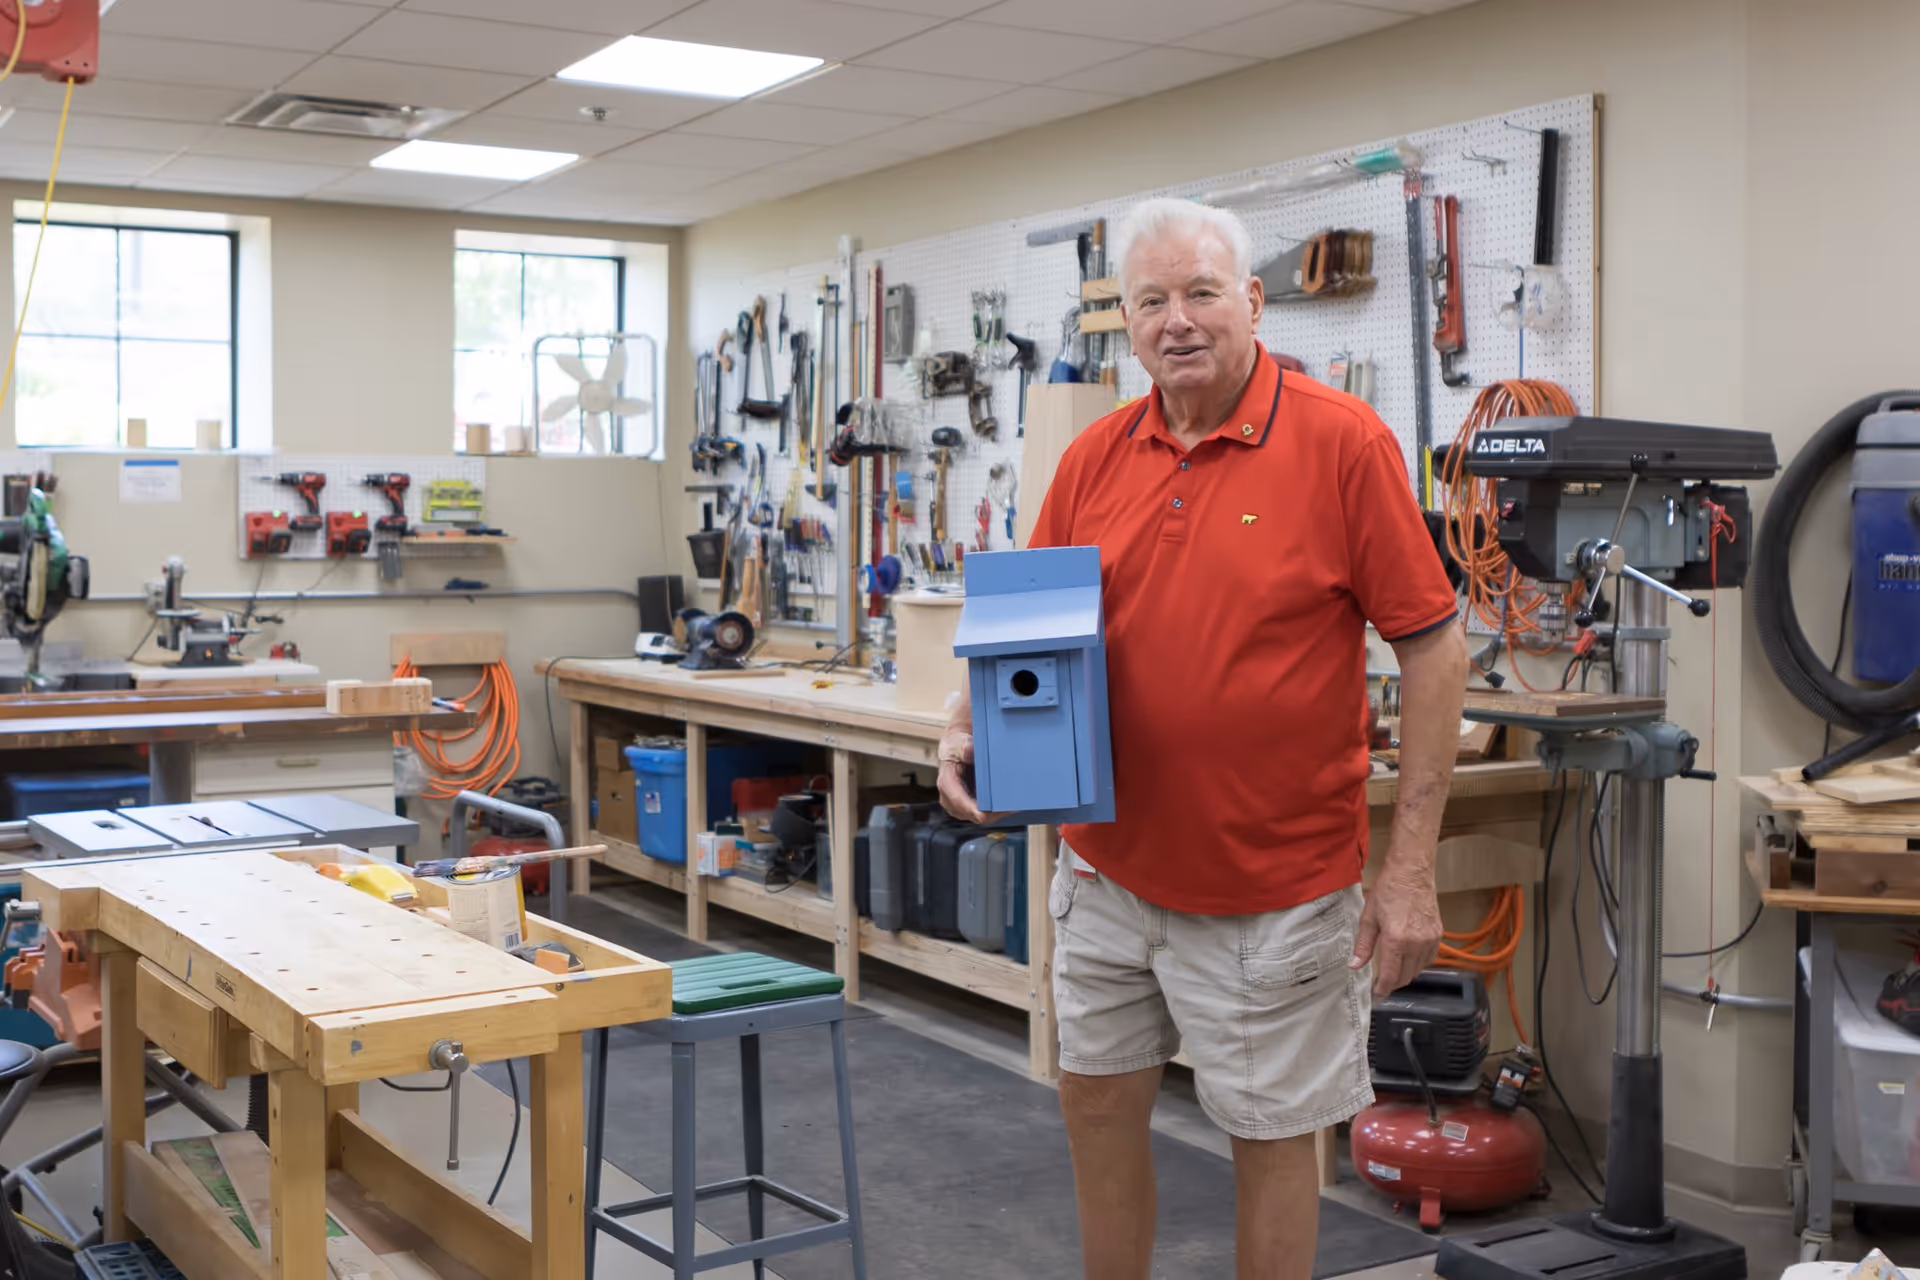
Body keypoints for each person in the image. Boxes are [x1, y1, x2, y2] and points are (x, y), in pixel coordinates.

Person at [937, 197, 1469, 1280]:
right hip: (1107, 870)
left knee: (1271, 1139)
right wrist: (963, 716)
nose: (1176, 321)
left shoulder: (1341, 441)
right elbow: (1020, 620)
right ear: (1126, 323)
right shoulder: (1095, 456)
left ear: (1253, 302)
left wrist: (1410, 867)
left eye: (1201, 293)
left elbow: (1435, 649)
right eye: (1151, 301)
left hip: (1273, 889)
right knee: (1093, 1099)